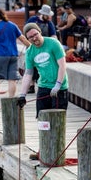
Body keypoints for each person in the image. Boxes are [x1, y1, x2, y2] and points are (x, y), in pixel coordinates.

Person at [17, 23, 69, 160]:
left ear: (40, 32)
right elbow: (28, 74)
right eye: (30, 37)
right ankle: (43, 150)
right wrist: (22, 95)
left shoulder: (53, 44)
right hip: (43, 87)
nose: (34, 39)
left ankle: (58, 152)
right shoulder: (30, 52)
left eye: (36, 35)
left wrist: (58, 84)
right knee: (43, 121)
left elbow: (62, 65)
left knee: (57, 121)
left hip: (59, 88)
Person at [0, 8, 30, 109]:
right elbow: (23, 39)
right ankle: (11, 101)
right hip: (13, 56)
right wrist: (32, 47)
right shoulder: (12, 25)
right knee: (12, 79)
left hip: (1, 55)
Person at [26, 4, 57, 94]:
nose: (49, 17)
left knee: (43, 65)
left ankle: (42, 84)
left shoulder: (49, 23)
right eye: (48, 16)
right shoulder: (33, 20)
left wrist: (55, 44)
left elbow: (53, 35)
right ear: (43, 14)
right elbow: (26, 32)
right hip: (33, 46)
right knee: (31, 67)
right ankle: (31, 86)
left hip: (46, 48)